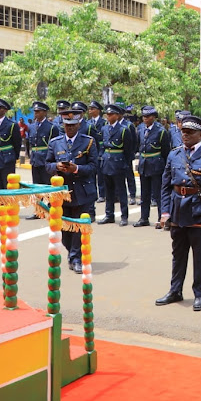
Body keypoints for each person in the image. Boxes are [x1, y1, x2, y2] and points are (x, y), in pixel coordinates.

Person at [156, 116, 201, 312]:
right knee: (178, 255)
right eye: (183, 132)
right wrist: (165, 211)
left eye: (190, 132)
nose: (185, 135)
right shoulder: (174, 155)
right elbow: (166, 185)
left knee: (200, 256)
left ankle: (199, 294)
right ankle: (175, 290)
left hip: (199, 213)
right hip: (178, 211)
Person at [45, 104, 98, 274]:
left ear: (79, 125)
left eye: (73, 125)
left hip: (81, 191)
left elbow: (94, 167)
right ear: (63, 125)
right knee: (64, 227)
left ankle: (76, 258)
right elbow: (47, 165)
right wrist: (57, 166)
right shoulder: (55, 143)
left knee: (77, 226)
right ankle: (72, 253)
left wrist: (76, 169)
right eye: (67, 125)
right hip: (62, 192)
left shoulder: (88, 142)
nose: (69, 128)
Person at [134, 106, 171, 228]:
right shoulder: (140, 129)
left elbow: (165, 152)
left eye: (148, 116)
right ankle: (144, 218)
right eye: (143, 116)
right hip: (144, 164)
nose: (145, 119)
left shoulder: (161, 132)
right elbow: (138, 146)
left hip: (156, 165)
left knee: (158, 194)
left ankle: (162, 219)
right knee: (144, 194)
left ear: (154, 117)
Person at [98, 104, 134, 227]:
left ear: (117, 116)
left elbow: (129, 150)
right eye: (107, 114)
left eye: (111, 114)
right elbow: (102, 146)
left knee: (121, 191)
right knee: (109, 192)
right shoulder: (104, 129)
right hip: (107, 163)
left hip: (118, 164)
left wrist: (125, 164)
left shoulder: (124, 130)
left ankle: (124, 216)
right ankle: (109, 215)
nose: (108, 117)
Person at [0, 98, 21, 190]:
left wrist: (15, 157)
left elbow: (17, 142)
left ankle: (8, 204)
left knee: (7, 185)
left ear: (5, 110)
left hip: (7, 158)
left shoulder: (12, 125)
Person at [28, 101, 59, 186]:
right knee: (36, 185)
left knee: (47, 184)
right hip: (35, 159)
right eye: (35, 111)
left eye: (38, 111)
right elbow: (30, 143)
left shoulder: (52, 127)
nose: (36, 113)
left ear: (45, 112)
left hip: (46, 159)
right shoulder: (31, 126)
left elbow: (56, 146)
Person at [88, 101, 107, 202]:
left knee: (101, 175)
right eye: (90, 109)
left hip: (100, 150)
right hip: (91, 150)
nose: (90, 110)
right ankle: (93, 193)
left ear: (98, 110)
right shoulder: (88, 123)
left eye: (92, 109)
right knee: (91, 174)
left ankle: (102, 194)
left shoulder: (104, 122)